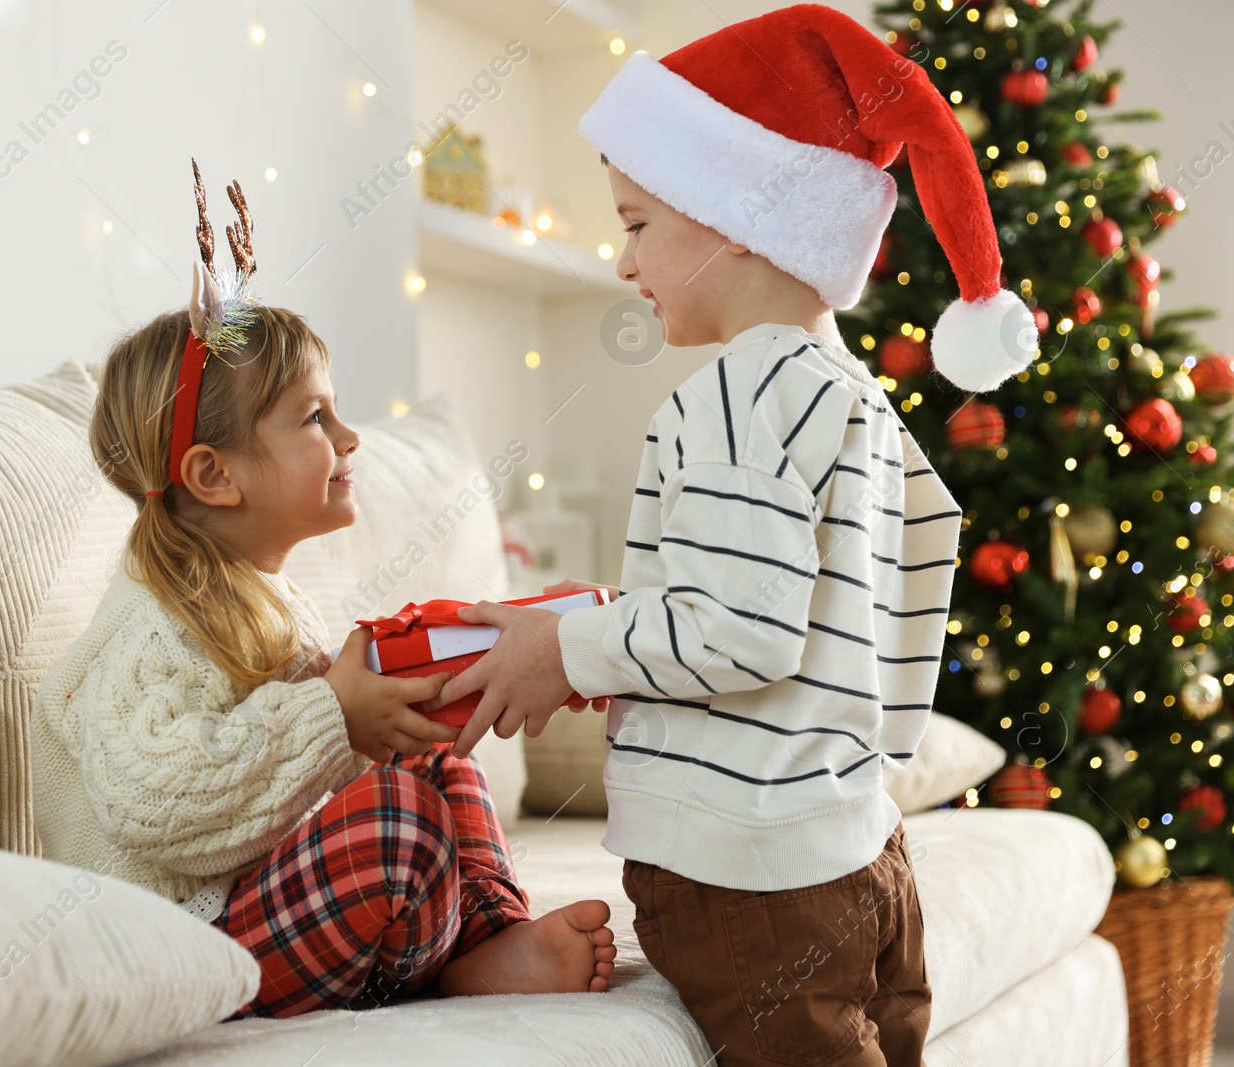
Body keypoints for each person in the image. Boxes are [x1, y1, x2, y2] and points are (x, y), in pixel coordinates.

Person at [430, 5, 1037, 1063]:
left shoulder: (730, 397)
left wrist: (565, 646)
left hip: (748, 876)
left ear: (737, 217)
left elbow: (737, 632)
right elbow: (900, 596)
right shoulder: (852, 399)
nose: (623, 263)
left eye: (635, 224)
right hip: (857, 850)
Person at [30, 160, 617, 1020]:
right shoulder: (146, 633)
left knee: (432, 757)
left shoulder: (262, 597)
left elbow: (305, 770)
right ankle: (452, 962)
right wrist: (333, 716)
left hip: (261, 899)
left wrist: (415, 700)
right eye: (315, 418)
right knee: (393, 820)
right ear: (213, 474)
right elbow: (152, 803)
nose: (349, 436)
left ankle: (489, 941)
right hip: (182, 946)